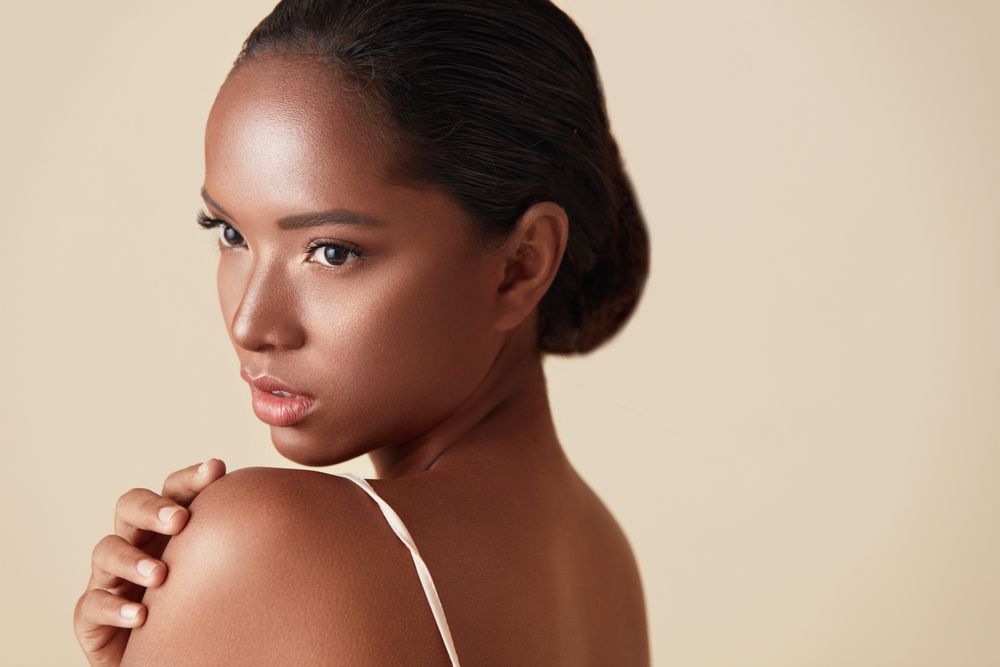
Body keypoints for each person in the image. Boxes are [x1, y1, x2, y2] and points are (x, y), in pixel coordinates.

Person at [74, 0, 650, 664]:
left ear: (519, 267)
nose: (250, 322)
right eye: (230, 233)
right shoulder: (605, 560)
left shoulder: (266, 542)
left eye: (334, 251)